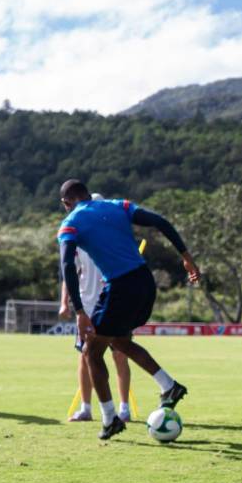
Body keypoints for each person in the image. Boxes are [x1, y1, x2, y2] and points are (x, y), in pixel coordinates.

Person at [56, 179, 201, 440]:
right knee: (120, 342)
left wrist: (79, 311)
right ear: (88, 195)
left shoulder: (70, 222)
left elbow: (67, 266)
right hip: (145, 283)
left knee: (91, 351)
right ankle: (169, 386)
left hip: (120, 287)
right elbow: (161, 221)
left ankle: (110, 418)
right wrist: (186, 258)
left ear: (66, 203)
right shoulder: (118, 205)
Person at [59, 200, 133, 423]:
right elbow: (70, 272)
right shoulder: (77, 239)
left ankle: (124, 409)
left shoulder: (114, 239)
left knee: (120, 354)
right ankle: (86, 408)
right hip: (88, 306)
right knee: (85, 356)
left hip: (115, 302)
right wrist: (65, 302)